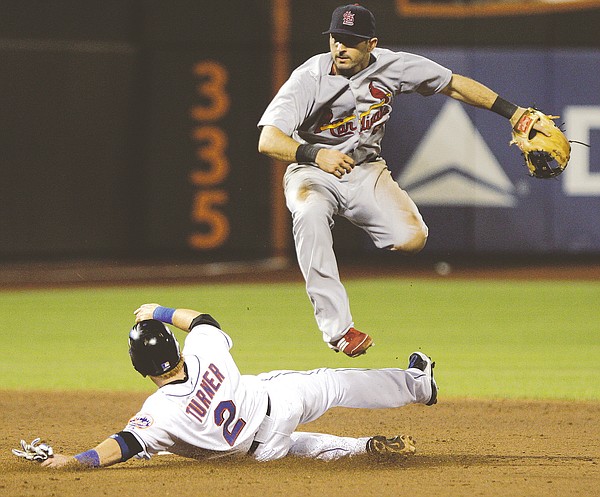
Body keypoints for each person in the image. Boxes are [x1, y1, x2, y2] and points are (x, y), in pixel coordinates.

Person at [257, 3, 535, 357]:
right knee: (310, 213)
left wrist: (514, 113)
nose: (340, 48)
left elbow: (455, 85)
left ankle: (358, 219)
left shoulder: (395, 66)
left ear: (371, 44)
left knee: (412, 238)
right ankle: (339, 330)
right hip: (314, 170)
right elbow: (268, 140)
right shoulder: (308, 78)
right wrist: (314, 154)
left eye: (351, 41)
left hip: (366, 170)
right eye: (336, 39)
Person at [38, 303, 437, 468]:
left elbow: (124, 444)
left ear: (137, 366)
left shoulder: (158, 413)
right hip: (280, 398)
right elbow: (202, 320)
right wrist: (158, 310)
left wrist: (75, 461)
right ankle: (418, 385)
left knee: (298, 447)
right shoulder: (202, 350)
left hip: (260, 450)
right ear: (173, 347)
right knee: (336, 384)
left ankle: (360, 450)